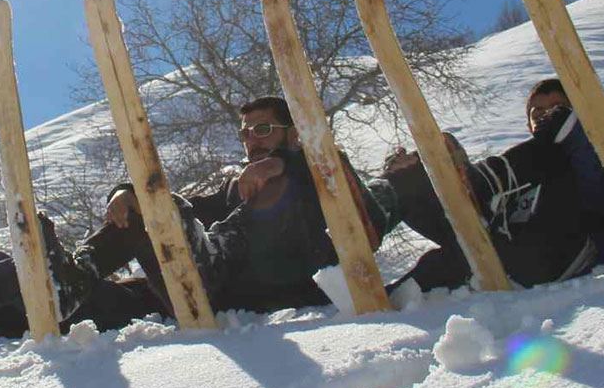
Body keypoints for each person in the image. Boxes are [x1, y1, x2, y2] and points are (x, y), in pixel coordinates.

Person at [68, 96, 396, 315]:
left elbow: (355, 199)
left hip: (281, 292)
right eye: (246, 134)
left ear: (293, 135)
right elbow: (183, 213)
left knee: (275, 190)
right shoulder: (234, 189)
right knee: (144, 220)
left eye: (263, 130)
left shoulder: (321, 175)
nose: (253, 139)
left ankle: (211, 259)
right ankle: (66, 285)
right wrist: (126, 194)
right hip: (213, 290)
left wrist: (283, 163)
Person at [380, 79, 604, 293]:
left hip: (568, 250)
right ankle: (382, 214)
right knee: (452, 251)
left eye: (556, 107)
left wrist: (568, 124)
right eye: (537, 112)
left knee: (560, 147)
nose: (544, 114)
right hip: (515, 258)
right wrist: (411, 182)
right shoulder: (527, 174)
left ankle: (477, 181)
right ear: (528, 123)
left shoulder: (591, 159)